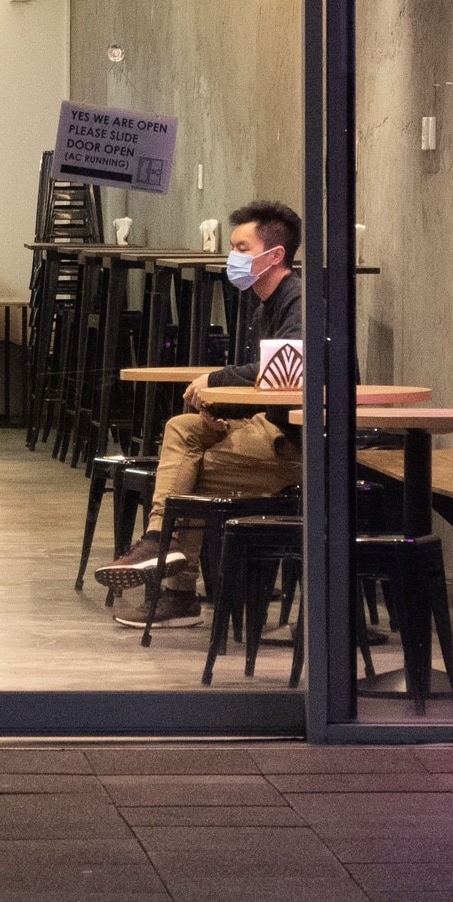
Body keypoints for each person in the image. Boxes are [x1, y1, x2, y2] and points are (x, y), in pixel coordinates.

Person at [92, 199, 305, 627]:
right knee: (183, 427)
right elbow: (263, 381)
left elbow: (288, 369)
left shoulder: (299, 303)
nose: (232, 258)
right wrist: (219, 405)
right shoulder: (264, 307)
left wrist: (216, 380)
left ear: (275, 255)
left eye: (242, 248)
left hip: (299, 443)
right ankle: (159, 543)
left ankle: (176, 588)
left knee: (191, 472)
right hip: (268, 425)